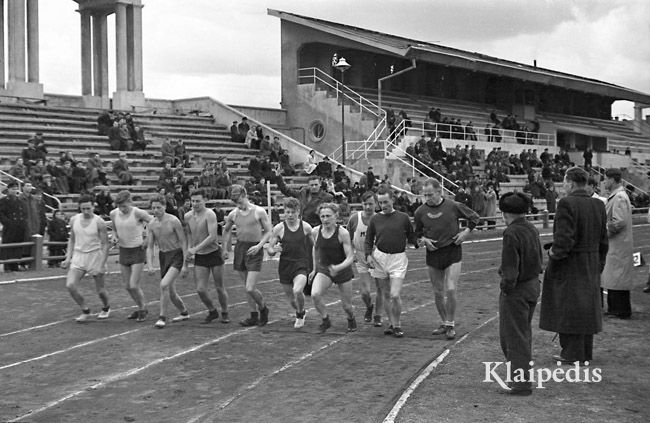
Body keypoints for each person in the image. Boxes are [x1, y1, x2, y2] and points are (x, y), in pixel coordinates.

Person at [539, 167, 608, 364]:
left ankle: (571, 353)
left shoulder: (566, 203)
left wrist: (553, 254)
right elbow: (604, 240)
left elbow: (564, 240)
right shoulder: (598, 204)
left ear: (570, 182)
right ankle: (585, 352)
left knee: (568, 307)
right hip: (591, 261)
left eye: (564, 181)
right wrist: (599, 262)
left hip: (571, 264)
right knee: (586, 307)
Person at [414, 178, 480, 340]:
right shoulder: (419, 212)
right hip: (433, 253)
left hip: (452, 250)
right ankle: (444, 322)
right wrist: (424, 240)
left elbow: (475, 217)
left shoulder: (453, 205)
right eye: (425, 195)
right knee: (438, 292)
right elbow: (416, 234)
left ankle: (450, 324)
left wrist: (465, 233)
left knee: (450, 288)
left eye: (430, 195)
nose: (427, 198)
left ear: (439, 192)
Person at [497, 192, 543, 395]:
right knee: (523, 333)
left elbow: (510, 268)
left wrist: (507, 288)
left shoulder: (511, 233)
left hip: (518, 289)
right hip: (533, 284)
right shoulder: (531, 228)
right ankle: (521, 378)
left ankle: (521, 382)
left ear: (505, 213)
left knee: (513, 336)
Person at [364, 187, 417, 338]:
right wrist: (368, 255)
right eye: (380, 202)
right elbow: (368, 240)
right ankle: (392, 323)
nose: (383, 205)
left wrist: (419, 241)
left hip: (398, 258)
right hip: (380, 258)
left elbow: (412, 236)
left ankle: (397, 323)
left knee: (394, 294)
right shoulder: (375, 219)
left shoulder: (403, 217)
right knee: (385, 293)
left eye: (386, 202)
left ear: (392, 200)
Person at [222, 184, 272, 326]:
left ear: (245, 196)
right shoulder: (234, 214)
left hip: (254, 248)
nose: (239, 206)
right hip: (240, 248)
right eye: (236, 203)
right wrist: (225, 248)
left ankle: (263, 308)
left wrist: (259, 246)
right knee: (246, 287)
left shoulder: (259, 211)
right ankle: (253, 315)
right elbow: (225, 230)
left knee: (250, 287)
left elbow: (268, 231)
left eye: (240, 202)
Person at [62, 195, 111, 322]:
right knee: (70, 285)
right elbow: (72, 239)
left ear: (93, 206)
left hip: (95, 255)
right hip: (79, 256)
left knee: (100, 291)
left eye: (88, 208)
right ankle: (85, 310)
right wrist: (68, 258)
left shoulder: (99, 222)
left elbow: (105, 244)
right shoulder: (74, 220)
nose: (86, 211)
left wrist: (102, 264)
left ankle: (106, 307)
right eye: (83, 209)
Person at [184, 189, 230, 324]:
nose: (195, 204)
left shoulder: (210, 214)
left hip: (213, 253)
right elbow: (188, 235)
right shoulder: (188, 216)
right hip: (200, 256)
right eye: (193, 201)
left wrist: (194, 249)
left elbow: (212, 236)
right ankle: (212, 311)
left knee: (219, 287)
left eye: (198, 201)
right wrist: (189, 249)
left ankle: (225, 311)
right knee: (200, 289)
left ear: (205, 200)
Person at [309, 202, 357, 333]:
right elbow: (315, 249)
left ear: (336, 216)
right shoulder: (315, 231)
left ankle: (351, 318)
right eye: (322, 216)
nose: (325, 219)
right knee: (315, 294)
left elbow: (350, 257)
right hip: (325, 269)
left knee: (347, 306)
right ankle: (325, 319)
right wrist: (314, 269)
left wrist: (339, 267)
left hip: (342, 270)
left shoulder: (343, 233)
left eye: (328, 216)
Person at [266, 197, 313, 328]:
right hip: (285, 265)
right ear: (284, 212)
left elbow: (316, 246)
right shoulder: (279, 228)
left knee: (297, 290)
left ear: (298, 212)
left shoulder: (306, 227)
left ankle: (299, 314)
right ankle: (301, 311)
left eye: (293, 212)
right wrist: (273, 250)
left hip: (301, 264)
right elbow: (269, 249)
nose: (290, 215)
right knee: (292, 299)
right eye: (287, 212)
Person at [146, 195, 191, 328]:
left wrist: (185, 264)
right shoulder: (152, 224)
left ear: (165, 207)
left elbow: (183, 242)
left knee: (164, 285)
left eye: (159, 207)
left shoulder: (173, 220)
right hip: (163, 256)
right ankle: (184, 312)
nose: (156, 210)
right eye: (153, 208)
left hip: (176, 254)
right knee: (170, 291)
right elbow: (149, 246)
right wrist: (149, 264)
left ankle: (162, 317)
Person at [110, 190, 153, 322]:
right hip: (124, 250)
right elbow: (114, 229)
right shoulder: (114, 214)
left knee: (134, 284)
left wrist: (147, 238)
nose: (122, 209)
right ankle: (141, 307)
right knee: (127, 286)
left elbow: (153, 222)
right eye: (119, 206)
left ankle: (142, 309)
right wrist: (114, 237)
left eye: (124, 206)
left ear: (130, 202)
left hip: (138, 249)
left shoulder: (138, 212)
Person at [601, 168, 634, 319]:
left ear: (612, 180)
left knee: (617, 277)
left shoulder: (619, 197)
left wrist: (605, 233)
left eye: (606, 179)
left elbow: (619, 222)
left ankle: (620, 309)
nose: (604, 182)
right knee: (614, 277)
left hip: (617, 243)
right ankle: (616, 307)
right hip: (618, 244)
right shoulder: (618, 196)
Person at [347, 191, 383, 326]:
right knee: (365, 292)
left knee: (381, 288)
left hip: (378, 257)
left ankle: (378, 315)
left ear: (376, 204)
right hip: (362, 257)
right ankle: (369, 306)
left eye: (371, 204)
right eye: (365, 204)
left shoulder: (381, 218)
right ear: (361, 204)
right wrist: (351, 253)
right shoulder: (354, 219)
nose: (368, 207)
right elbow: (347, 238)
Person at [0, 182, 28, 272]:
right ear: (8, 190)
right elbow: (1, 214)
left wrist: (23, 222)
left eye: (16, 188)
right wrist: (8, 223)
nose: (14, 190)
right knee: (8, 246)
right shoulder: (4, 200)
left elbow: (24, 213)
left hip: (19, 227)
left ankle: (15, 265)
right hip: (9, 228)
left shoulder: (20, 201)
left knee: (17, 247)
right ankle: (8, 266)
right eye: (12, 189)